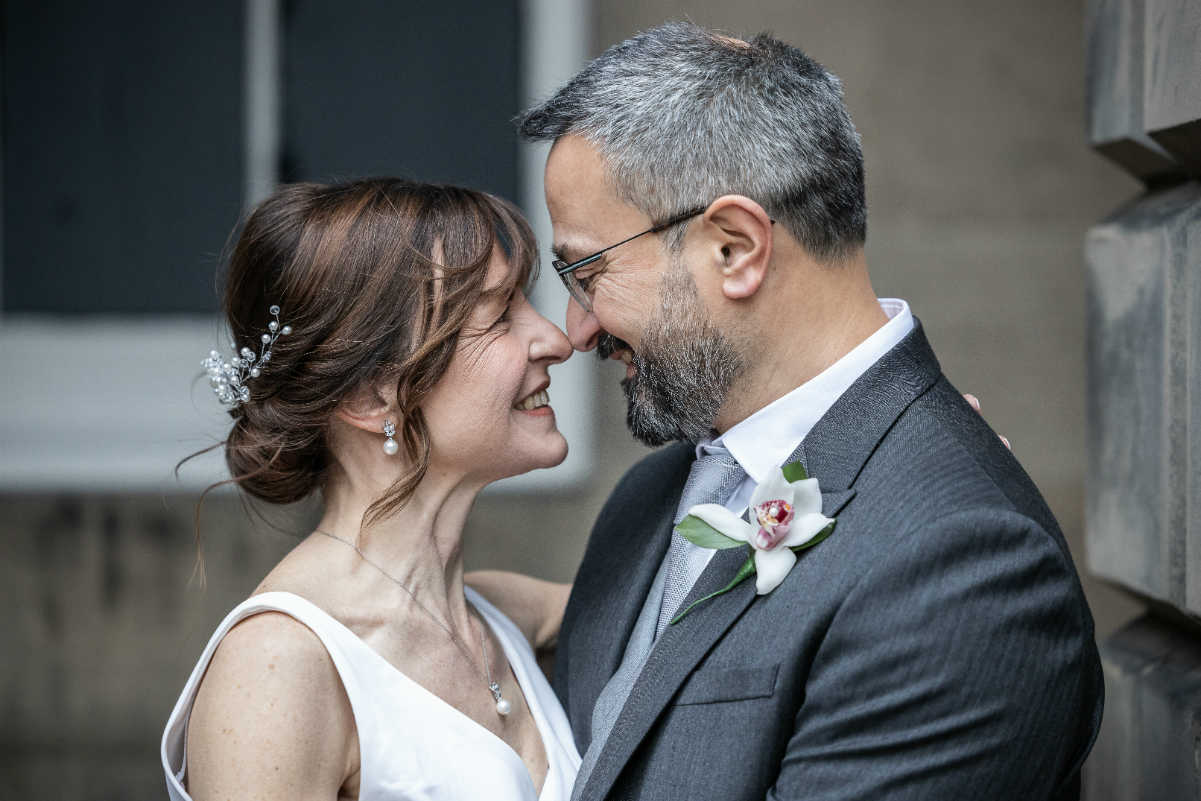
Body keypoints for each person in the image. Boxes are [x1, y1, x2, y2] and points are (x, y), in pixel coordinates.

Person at [512, 21, 1104, 801]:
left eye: (585, 271)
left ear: (734, 247)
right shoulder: (645, 503)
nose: (574, 327)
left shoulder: (964, 564)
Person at [160, 179, 582, 799]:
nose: (556, 339)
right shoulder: (280, 666)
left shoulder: (505, 618)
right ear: (370, 395)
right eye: (498, 316)